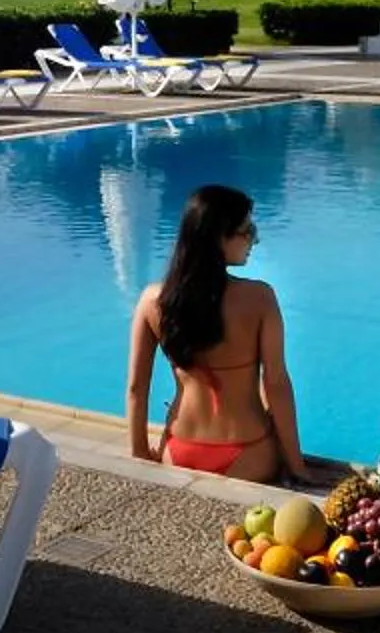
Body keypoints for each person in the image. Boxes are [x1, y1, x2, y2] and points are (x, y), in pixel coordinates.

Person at [126, 184, 313, 485]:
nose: (254, 237)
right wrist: (297, 465)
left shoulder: (152, 301)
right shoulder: (260, 298)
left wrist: (139, 453)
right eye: (246, 229)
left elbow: (137, 387)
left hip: (178, 450)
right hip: (248, 453)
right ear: (217, 238)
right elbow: (276, 383)